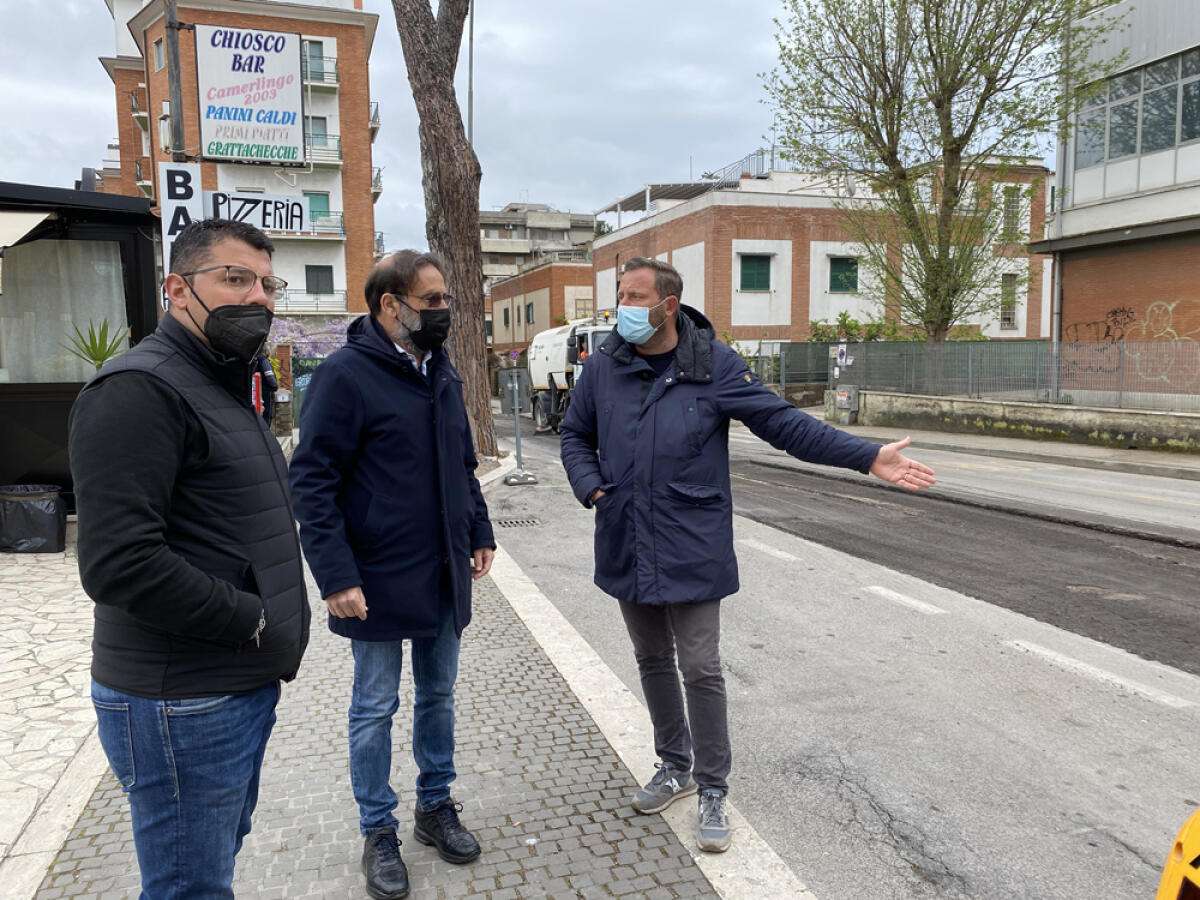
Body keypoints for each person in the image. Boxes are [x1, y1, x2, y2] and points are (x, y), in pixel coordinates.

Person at [560, 257, 935, 853]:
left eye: (634, 297)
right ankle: (674, 766)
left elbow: (786, 426)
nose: (622, 308)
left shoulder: (714, 365)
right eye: (620, 295)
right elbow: (575, 434)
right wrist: (593, 488)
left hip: (691, 541)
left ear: (668, 305)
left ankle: (712, 787)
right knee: (651, 659)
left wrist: (866, 456)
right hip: (625, 534)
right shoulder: (605, 364)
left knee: (700, 667)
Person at [68, 218, 310, 898]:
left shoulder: (222, 381)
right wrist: (249, 619)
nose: (258, 297)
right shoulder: (139, 390)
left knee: (209, 867)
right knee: (189, 886)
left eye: (268, 284)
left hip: (228, 687)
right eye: (235, 279)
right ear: (177, 289)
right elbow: (119, 562)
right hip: (183, 700)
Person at [289, 250, 495, 900]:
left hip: (442, 571)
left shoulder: (443, 370)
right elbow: (311, 481)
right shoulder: (344, 375)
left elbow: (462, 463)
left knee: (438, 696)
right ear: (390, 305)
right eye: (432, 301)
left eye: (445, 299)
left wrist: (480, 529)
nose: (444, 310)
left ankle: (435, 806)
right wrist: (334, 575)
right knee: (375, 706)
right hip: (373, 577)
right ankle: (378, 830)